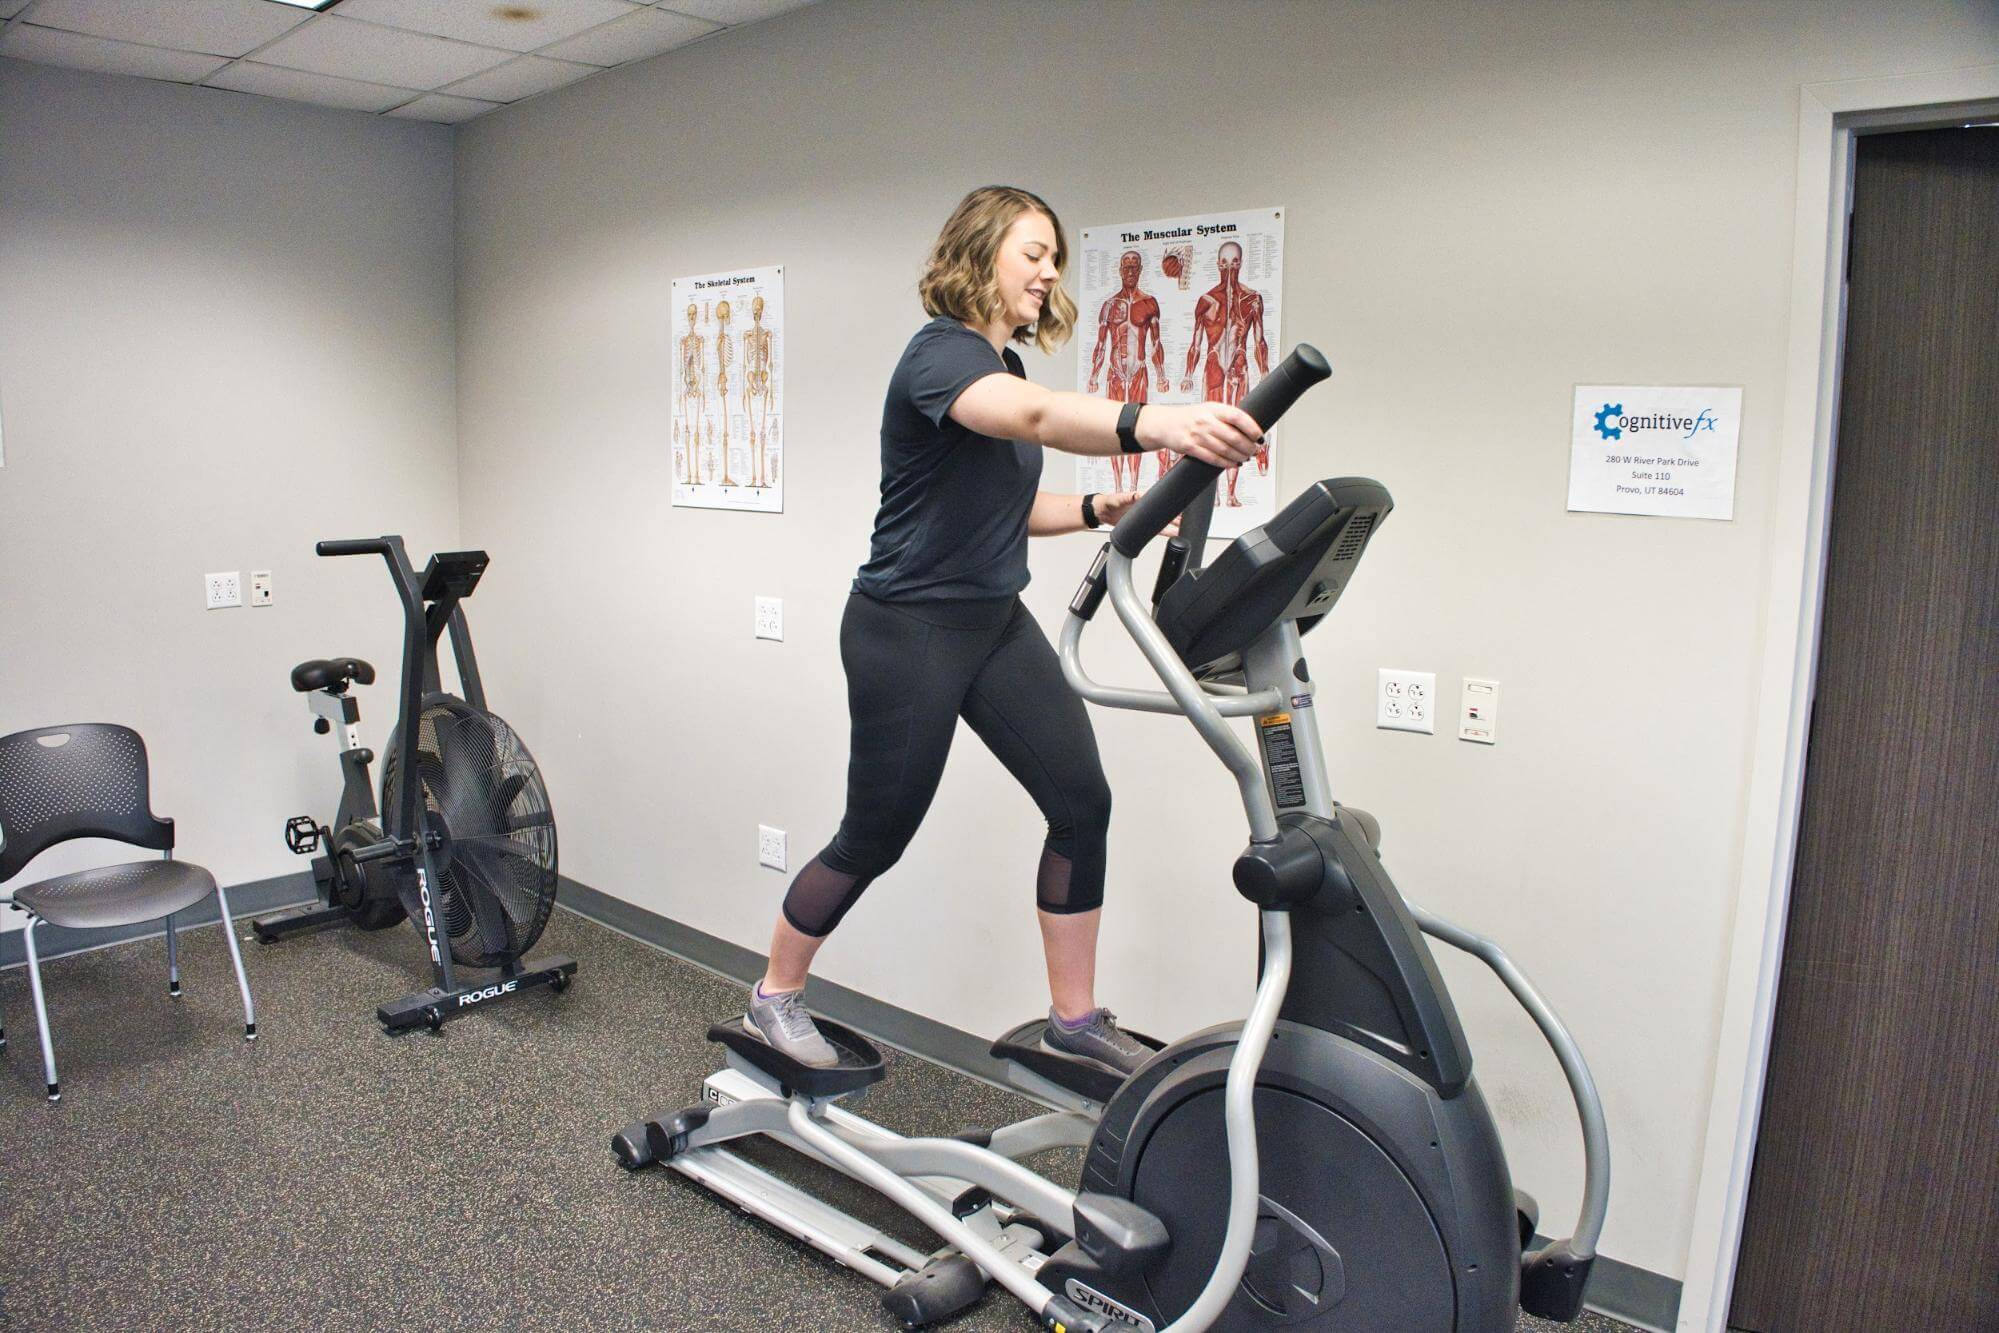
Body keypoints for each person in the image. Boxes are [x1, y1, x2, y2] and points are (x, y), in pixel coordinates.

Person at [748, 185, 1261, 1072]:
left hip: (991, 622)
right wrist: (1158, 421)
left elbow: (1009, 507)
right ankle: (774, 996)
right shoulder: (939, 362)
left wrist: (1110, 506)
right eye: (1034, 252)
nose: (1049, 270)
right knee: (876, 833)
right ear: (980, 253)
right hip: (904, 629)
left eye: (1054, 256)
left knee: (1081, 802)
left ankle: (1072, 1018)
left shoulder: (1003, 369)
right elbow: (1032, 419)